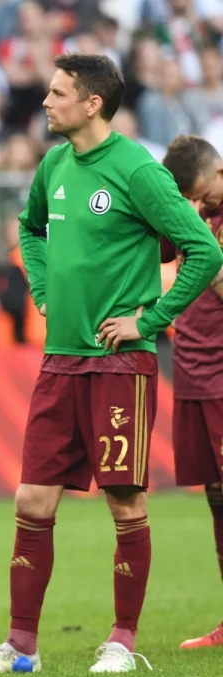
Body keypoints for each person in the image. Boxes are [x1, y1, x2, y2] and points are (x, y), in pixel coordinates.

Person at [0, 54, 222, 676]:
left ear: (92, 103)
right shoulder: (53, 164)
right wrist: (42, 291)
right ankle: (21, 647)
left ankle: (123, 642)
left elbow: (203, 249)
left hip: (119, 364)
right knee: (31, 500)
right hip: (60, 362)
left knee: (125, 503)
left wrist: (150, 322)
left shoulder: (137, 170)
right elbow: (29, 230)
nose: (45, 103)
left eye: (56, 93)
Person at [156, 135, 223, 650]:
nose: (196, 207)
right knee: (217, 502)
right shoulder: (184, 220)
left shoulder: (203, 225)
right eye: (188, 200)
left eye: (201, 195)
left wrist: (201, 239)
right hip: (192, 375)